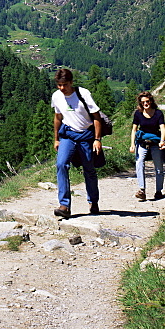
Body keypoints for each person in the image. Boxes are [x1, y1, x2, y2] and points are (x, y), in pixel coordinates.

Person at [51, 67, 102, 219]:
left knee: (89, 169)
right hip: (67, 135)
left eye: (64, 85)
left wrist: (97, 139)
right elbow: (58, 117)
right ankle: (64, 205)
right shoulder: (56, 96)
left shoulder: (83, 94)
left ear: (71, 83)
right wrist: (56, 139)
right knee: (61, 165)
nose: (62, 88)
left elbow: (96, 117)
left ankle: (93, 201)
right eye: (59, 85)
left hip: (85, 135)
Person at [130, 91, 165, 201]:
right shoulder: (138, 113)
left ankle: (159, 191)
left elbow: (163, 128)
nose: (146, 103)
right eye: (143, 102)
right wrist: (132, 144)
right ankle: (142, 190)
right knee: (139, 162)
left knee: (159, 167)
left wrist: (162, 141)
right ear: (140, 103)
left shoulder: (158, 113)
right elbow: (134, 129)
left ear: (151, 101)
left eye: (147, 101)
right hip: (142, 142)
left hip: (155, 142)